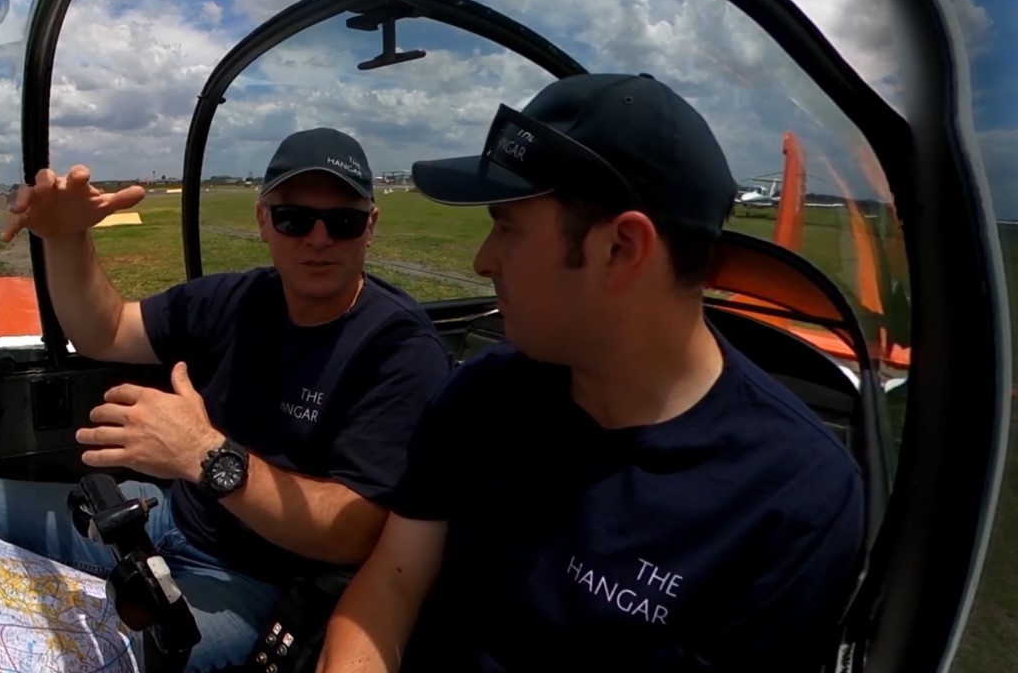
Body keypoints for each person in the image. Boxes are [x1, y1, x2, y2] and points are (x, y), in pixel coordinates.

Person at [315, 73, 867, 672]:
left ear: (621, 249)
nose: (482, 260)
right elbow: (390, 587)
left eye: (507, 226)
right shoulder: (481, 395)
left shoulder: (794, 500)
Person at [0, 127, 453, 671]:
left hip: (258, 578)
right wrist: (65, 238)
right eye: (294, 219)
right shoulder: (238, 299)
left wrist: (206, 457)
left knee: (92, 659)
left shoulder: (399, 351)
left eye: (342, 222)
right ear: (263, 221)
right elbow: (105, 329)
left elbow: (358, 531)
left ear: (370, 228)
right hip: (168, 518)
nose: (318, 239)